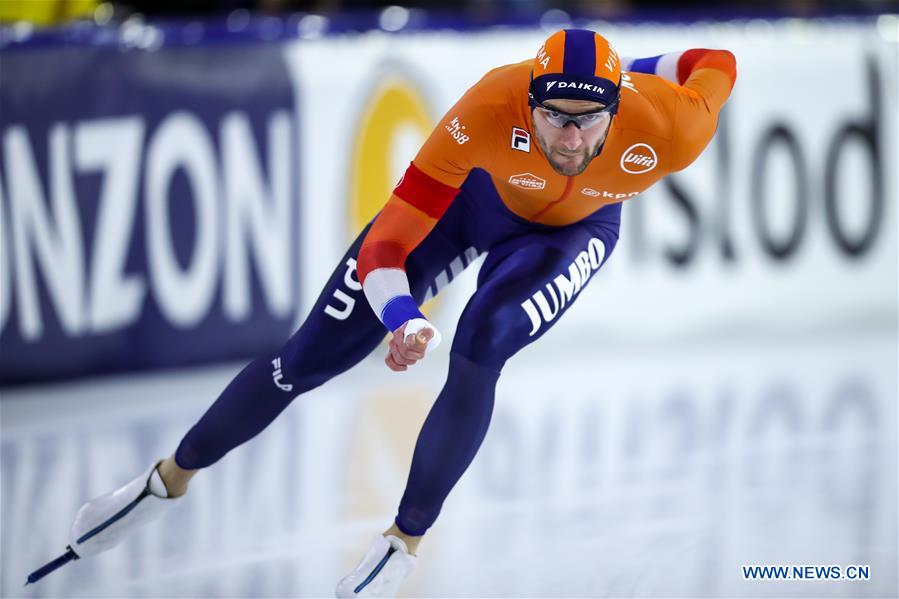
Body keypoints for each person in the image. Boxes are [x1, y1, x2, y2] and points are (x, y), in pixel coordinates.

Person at [35, 28, 736, 597]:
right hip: (472, 208)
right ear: (528, 103)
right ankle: (166, 480)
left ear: (618, 106)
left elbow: (717, 60)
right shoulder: (489, 105)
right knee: (305, 357)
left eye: (589, 119)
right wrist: (401, 314)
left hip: (569, 236)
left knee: (483, 338)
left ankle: (401, 544)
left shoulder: (671, 127)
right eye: (553, 116)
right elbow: (388, 241)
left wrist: (641, 67)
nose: (571, 140)